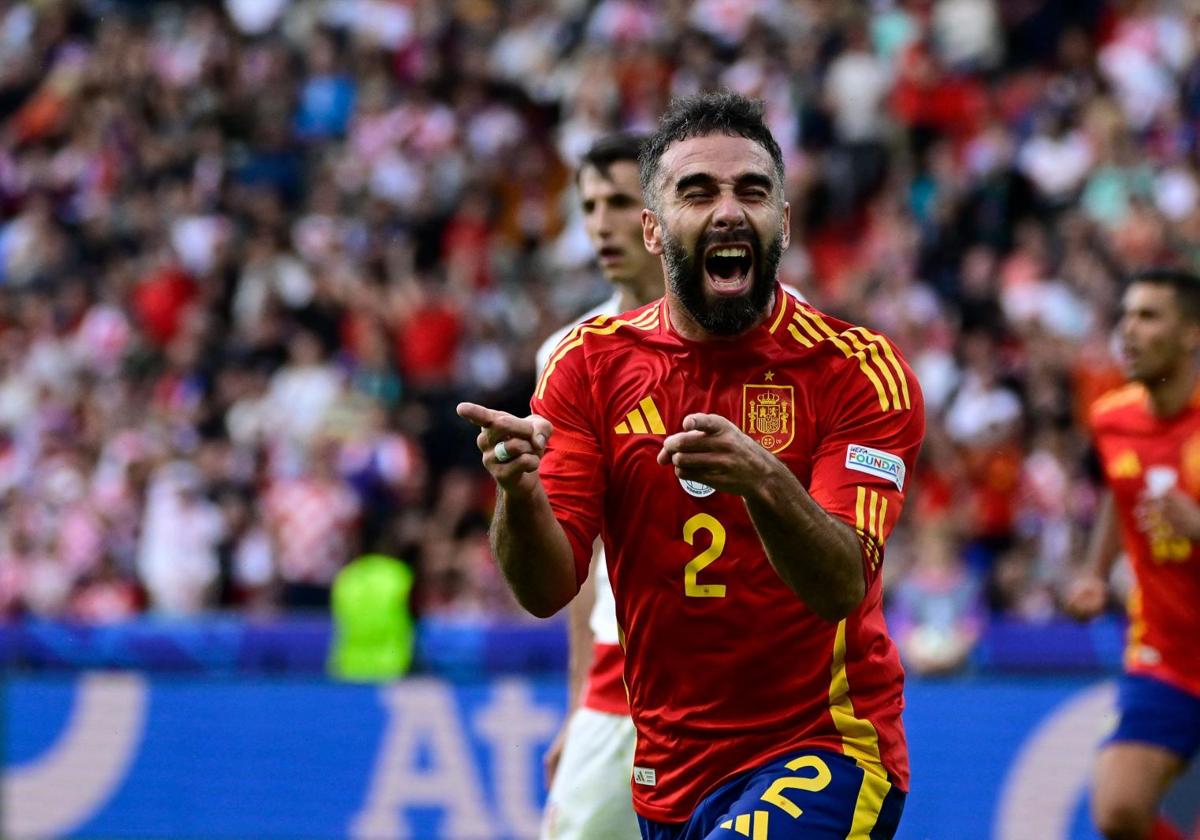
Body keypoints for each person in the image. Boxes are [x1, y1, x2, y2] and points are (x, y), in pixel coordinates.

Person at [459, 92, 924, 839]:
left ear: (785, 220)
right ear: (654, 229)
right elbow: (547, 589)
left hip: (825, 745)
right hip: (668, 766)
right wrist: (516, 494)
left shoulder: (857, 371)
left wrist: (766, 481)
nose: (729, 211)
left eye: (752, 190)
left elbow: (842, 585)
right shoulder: (587, 364)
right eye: (697, 192)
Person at [537, 132, 660, 840]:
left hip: (739, 658)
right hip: (621, 664)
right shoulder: (566, 353)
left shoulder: (767, 323)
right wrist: (577, 701)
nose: (601, 224)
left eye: (619, 201)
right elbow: (576, 557)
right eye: (589, 206)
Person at [1065, 269, 1200, 840]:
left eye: (1148, 316)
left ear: (1191, 332)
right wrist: (1095, 572)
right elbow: (1122, 498)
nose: (1129, 331)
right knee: (1118, 811)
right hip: (1165, 653)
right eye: (1125, 316)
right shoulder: (1112, 418)